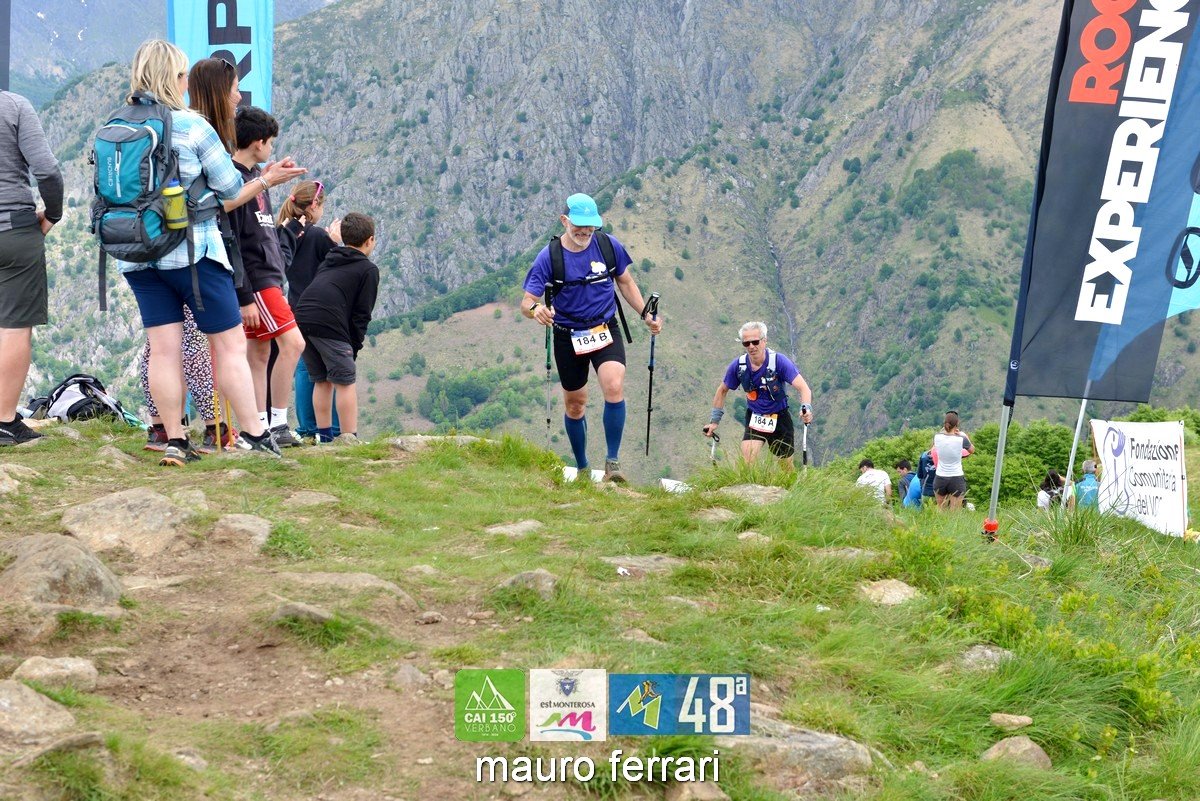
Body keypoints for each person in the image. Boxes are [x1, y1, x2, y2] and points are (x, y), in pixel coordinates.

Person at [116, 40, 303, 466]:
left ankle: (175, 440)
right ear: (174, 78)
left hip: (138, 254)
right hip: (194, 255)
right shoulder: (191, 126)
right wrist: (266, 182)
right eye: (182, 74)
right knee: (230, 345)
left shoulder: (118, 126)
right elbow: (231, 190)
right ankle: (256, 435)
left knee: (164, 349)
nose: (186, 82)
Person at [521, 193, 661, 482]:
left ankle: (613, 464)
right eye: (579, 226)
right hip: (567, 335)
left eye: (590, 226)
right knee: (575, 404)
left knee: (614, 385)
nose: (585, 232)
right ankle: (583, 468)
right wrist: (536, 310)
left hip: (604, 327)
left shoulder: (608, 245)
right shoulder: (549, 256)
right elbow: (527, 302)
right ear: (564, 221)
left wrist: (645, 314)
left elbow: (625, 281)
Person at [230, 106, 305, 447]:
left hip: (268, 275)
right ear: (258, 142)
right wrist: (244, 294)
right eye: (271, 142)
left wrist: (270, 172)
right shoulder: (235, 180)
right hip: (257, 279)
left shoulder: (256, 177)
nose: (271, 147)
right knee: (294, 343)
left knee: (259, 353)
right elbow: (232, 238)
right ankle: (278, 423)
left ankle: (258, 427)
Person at [0, 90, 62, 446]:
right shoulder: (14, 106)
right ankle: (5, 421)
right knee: (13, 327)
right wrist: (53, 213)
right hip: (13, 231)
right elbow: (47, 171)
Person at [292, 212, 379, 444]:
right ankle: (349, 440)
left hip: (302, 317)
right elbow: (361, 315)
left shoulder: (330, 259)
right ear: (370, 240)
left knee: (322, 380)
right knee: (345, 381)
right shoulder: (368, 269)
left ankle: (324, 438)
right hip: (327, 322)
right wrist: (353, 348)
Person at [702, 321, 814, 467]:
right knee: (747, 462)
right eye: (746, 343)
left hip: (780, 417)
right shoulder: (739, 366)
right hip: (755, 417)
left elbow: (804, 388)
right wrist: (714, 421)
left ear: (764, 341)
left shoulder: (779, 362)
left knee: (786, 467)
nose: (751, 346)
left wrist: (806, 408)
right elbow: (722, 390)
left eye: (755, 342)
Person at [278, 179, 340, 441]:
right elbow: (337, 267)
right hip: (321, 310)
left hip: (296, 306)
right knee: (328, 370)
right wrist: (335, 241)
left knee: (304, 368)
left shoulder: (286, 232)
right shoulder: (317, 236)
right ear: (314, 206)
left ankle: (306, 427)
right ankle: (331, 429)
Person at [932, 411, 974, 509]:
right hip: (956, 478)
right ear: (957, 423)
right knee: (954, 513)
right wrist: (962, 435)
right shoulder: (961, 439)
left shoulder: (937, 437)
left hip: (940, 477)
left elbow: (939, 442)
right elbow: (972, 450)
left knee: (940, 510)